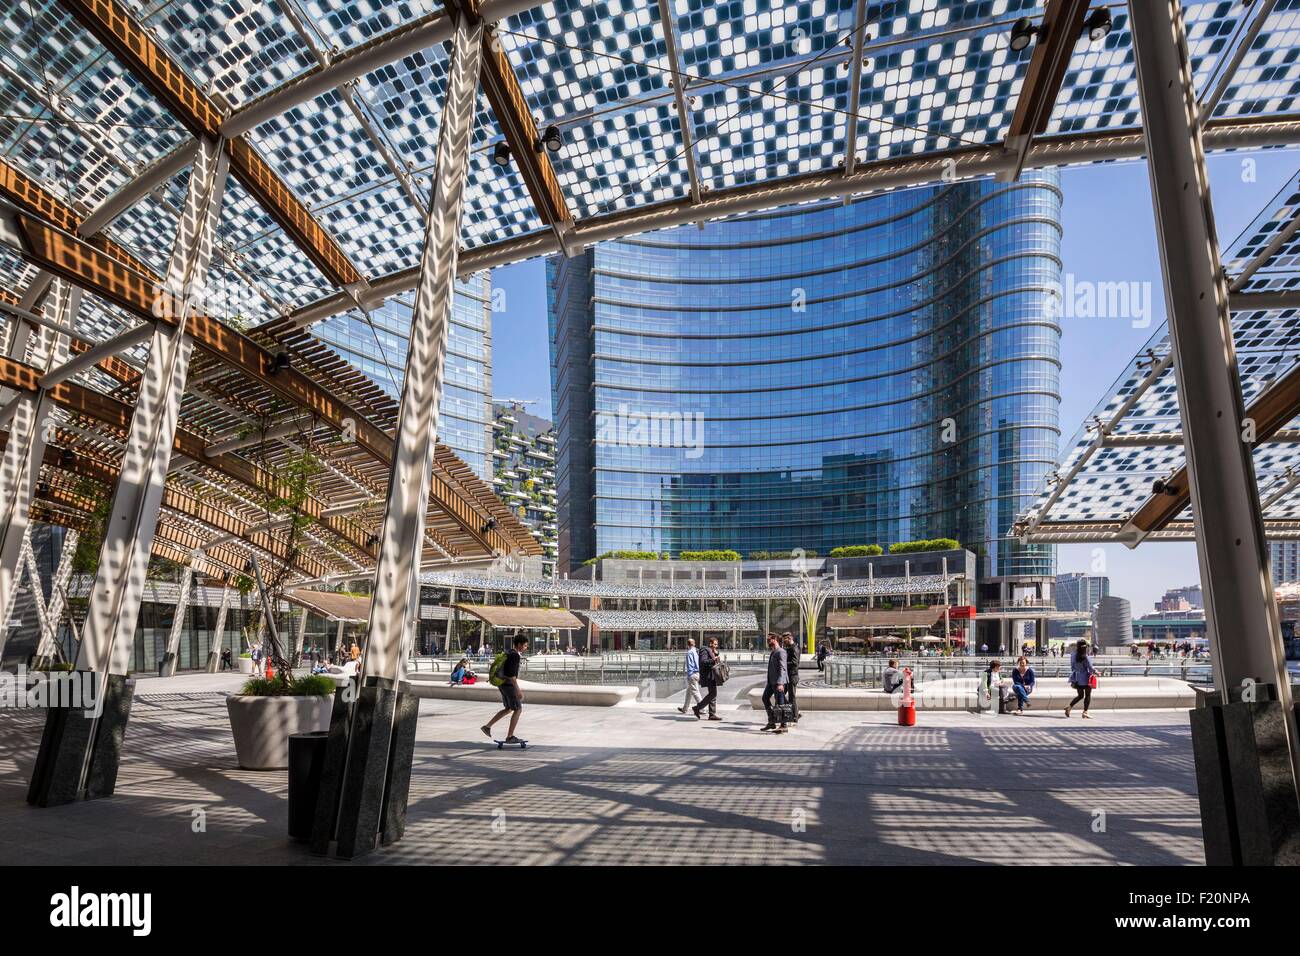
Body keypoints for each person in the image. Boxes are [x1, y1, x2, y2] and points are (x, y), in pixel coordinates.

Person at [482, 634, 530, 743]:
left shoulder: (508, 652)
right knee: (518, 709)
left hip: (502, 684)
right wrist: (518, 690)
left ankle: (487, 726)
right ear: (519, 644)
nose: (526, 648)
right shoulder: (515, 655)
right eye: (525, 645)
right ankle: (510, 736)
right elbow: (511, 674)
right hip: (509, 686)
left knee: (508, 708)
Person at [761, 633, 789, 733]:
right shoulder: (774, 651)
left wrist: (781, 683)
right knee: (765, 698)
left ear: (775, 639)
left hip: (778, 682)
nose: (768, 641)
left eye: (769, 639)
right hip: (771, 682)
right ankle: (771, 721)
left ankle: (784, 725)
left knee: (780, 704)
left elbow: (783, 668)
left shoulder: (781, 652)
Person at [1066, 639, 1097, 718]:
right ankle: (1085, 712)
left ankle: (1069, 707)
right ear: (1085, 647)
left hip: (1076, 678)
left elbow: (1072, 667)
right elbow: (1090, 668)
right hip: (1086, 678)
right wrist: (1096, 672)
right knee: (1087, 695)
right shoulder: (1085, 656)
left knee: (1080, 695)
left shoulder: (1073, 655)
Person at [693, 637, 722, 720]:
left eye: (717, 644)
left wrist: (716, 655)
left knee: (713, 694)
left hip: (712, 676)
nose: (716, 646)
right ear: (710, 644)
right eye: (715, 644)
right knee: (712, 694)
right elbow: (703, 662)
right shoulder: (704, 650)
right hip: (708, 676)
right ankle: (697, 708)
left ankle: (712, 714)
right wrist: (713, 660)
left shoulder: (711, 651)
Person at [678, 638, 703, 715]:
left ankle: (702, 708)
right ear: (694, 644)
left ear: (687, 645)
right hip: (697, 673)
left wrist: (689, 675)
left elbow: (690, 665)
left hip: (692, 674)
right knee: (689, 692)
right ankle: (685, 708)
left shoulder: (689, 653)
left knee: (695, 692)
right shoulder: (696, 651)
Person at [781, 632, 801, 724]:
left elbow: (794, 663)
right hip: (789, 676)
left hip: (792, 676)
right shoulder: (790, 648)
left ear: (789, 638)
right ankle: (795, 712)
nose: (784, 642)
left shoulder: (794, 648)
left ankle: (795, 717)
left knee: (792, 697)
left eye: (785, 640)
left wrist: (783, 663)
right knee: (781, 694)